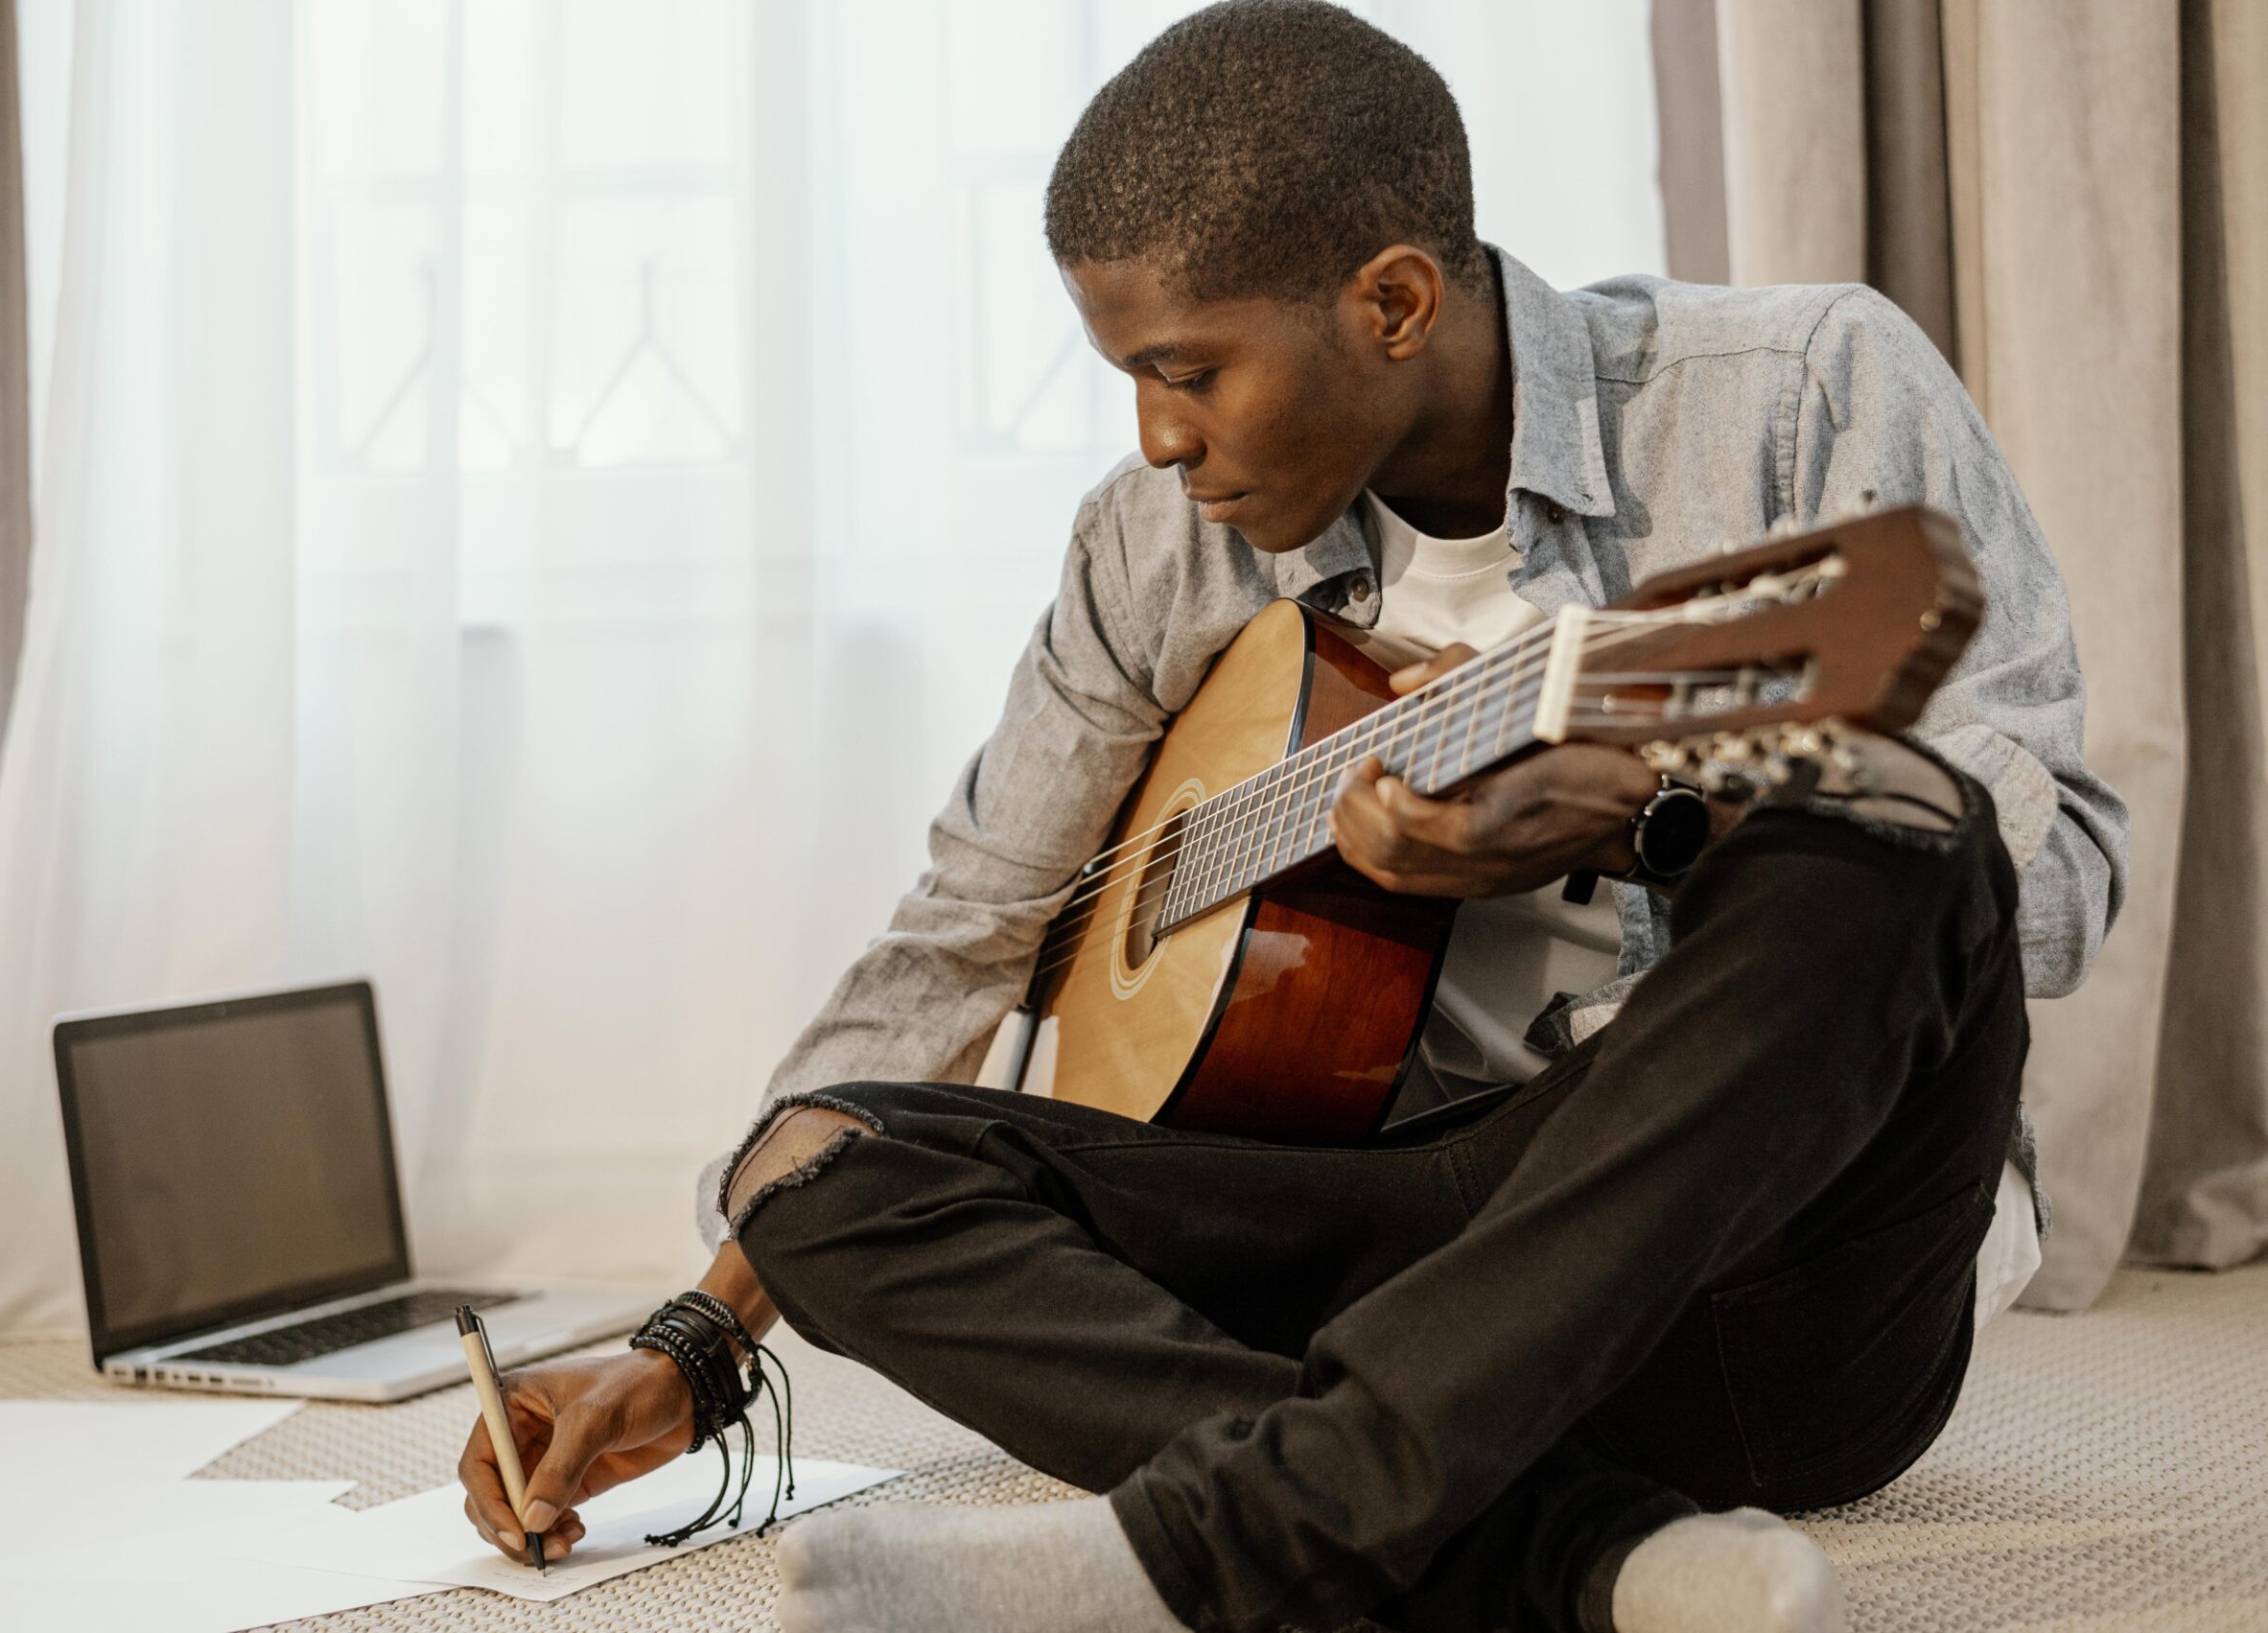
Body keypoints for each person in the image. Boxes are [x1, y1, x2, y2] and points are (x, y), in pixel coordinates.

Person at [455, 5, 2127, 1629]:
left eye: (1187, 370)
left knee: (1899, 816)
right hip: (1369, 1246)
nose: (1158, 437)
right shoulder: (1151, 549)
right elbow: (968, 929)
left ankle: (1243, 1524)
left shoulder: (1797, 389)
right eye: (1127, 376)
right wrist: (691, 1340)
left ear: (1394, 300)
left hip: (1746, 1291)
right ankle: (1569, 1562)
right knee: (812, 1164)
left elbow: (2049, 889)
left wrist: (1636, 825)